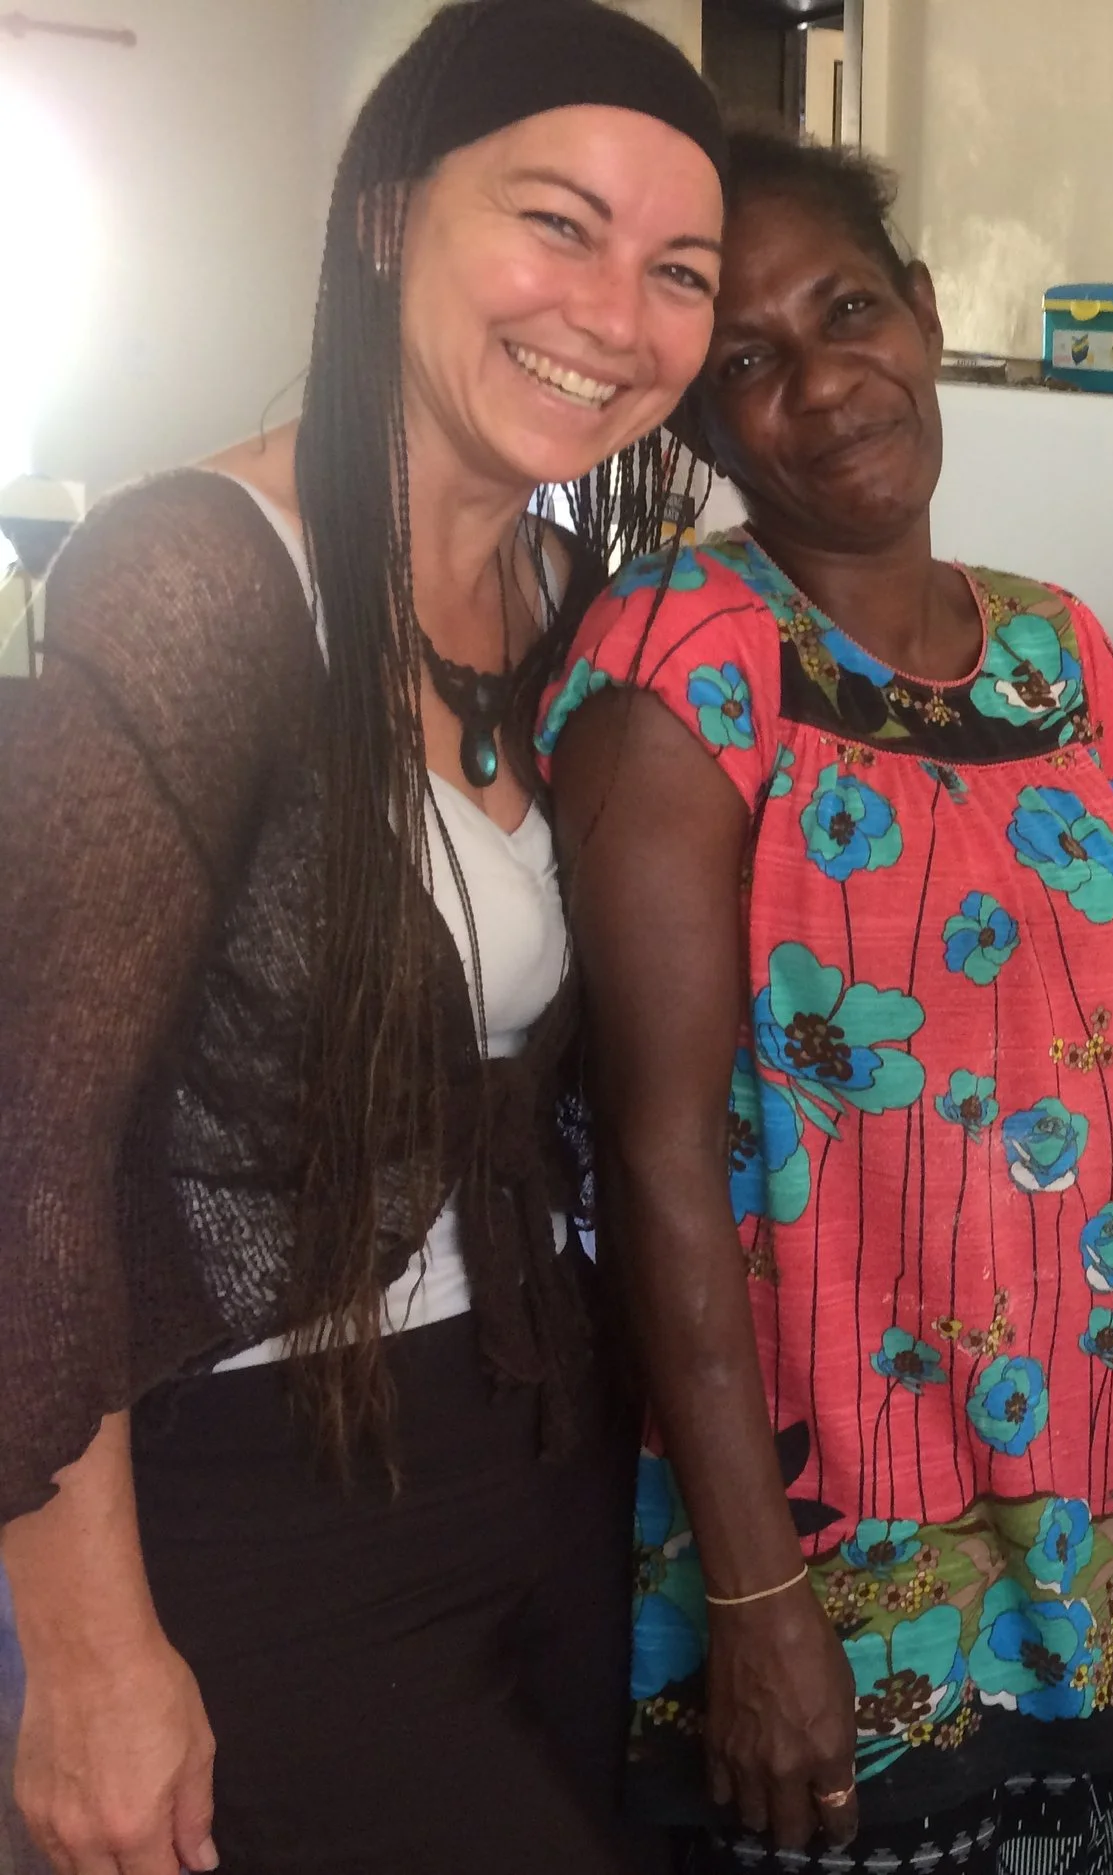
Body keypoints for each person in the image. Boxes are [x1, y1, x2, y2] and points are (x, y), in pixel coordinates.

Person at [0, 6, 725, 1871]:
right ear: (392, 216)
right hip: (261, 1476)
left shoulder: (569, 599)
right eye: (558, 223)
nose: (614, 313)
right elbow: (24, 1130)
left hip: (541, 1436)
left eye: (679, 271)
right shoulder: (200, 577)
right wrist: (86, 1653)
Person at [540, 129, 1113, 1873]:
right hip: (828, 1536)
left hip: (1078, 1487)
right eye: (749, 359)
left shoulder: (1064, 658)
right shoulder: (683, 663)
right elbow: (656, 1156)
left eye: (849, 310)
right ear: (701, 427)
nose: (825, 381)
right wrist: (757, 1599)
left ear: (922, 314)